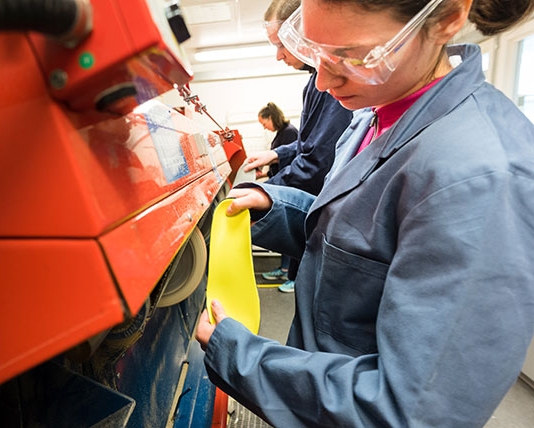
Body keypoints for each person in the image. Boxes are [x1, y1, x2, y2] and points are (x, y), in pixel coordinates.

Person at [197, 0, 534, 426]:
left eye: (353, 56)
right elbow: (360, 239)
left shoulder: (481, 176)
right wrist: (277, 207)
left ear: (448, 20)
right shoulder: (375, 113)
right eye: (315, 52)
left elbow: (411, 412)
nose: (322, 81)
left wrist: (238, 355)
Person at [253, 0, 353, 293]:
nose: (279, 56)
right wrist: (276, 153)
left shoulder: (329, 84)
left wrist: (266, 192)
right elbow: (307, 144)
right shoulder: (314, 82)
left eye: (282, 45)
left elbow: (316, 161)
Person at [257, 102, 298, 283]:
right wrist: (265, 174)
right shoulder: (282, 133)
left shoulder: (289, 132)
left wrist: (271, 184)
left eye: (264, 124)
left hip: (290, 186)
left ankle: (292, 274)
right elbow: (279, 161)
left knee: (289, 231)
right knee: (284, 230)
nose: (264, 128)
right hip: (283, 184)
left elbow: (290, 162)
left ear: (271, 118)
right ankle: (284, 268)